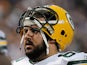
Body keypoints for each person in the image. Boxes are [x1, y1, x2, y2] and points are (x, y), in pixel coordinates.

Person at [12, 5, 87, 65]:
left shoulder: (71, 61)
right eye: (25, 31)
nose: (26, 35)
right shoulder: (17, 63)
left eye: (35, 30)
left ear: (54, 38)